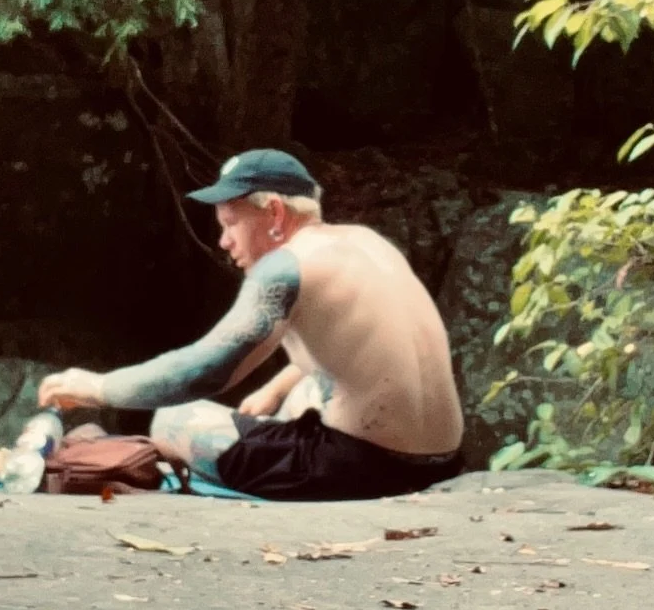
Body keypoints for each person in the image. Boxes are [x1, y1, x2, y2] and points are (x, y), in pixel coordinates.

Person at [38, 149, 464, 500]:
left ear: (275, 213)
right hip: (442, 459)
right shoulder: (367, 242)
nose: (224, 242)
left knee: (173, 419)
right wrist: (273, 388)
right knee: (303, 389)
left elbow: (206, 372)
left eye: (230, 223)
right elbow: (359, 348)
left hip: (364, 469)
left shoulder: (285, 268)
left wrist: (98, 388)